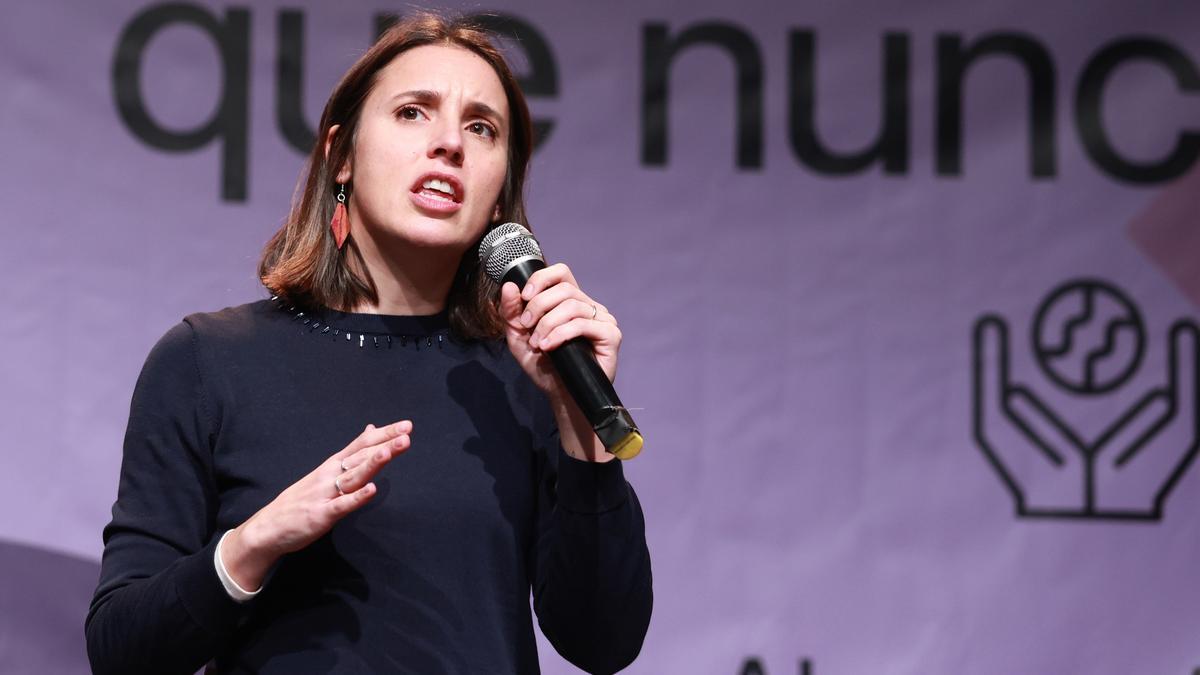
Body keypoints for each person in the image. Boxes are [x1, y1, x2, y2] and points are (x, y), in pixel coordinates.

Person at [85, 12, 653, 675]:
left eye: (481, 127)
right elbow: (120, 650)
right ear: (341, 155)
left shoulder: (529, 378)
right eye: (413, 112)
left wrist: (582, 431)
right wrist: (252, 544)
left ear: (500, 196)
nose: (450, 143)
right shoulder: (207, 361)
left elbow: (604, 642)